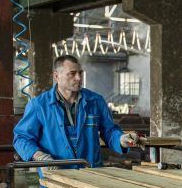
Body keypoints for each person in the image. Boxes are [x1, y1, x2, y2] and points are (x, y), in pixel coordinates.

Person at [13, 54, 144, 181]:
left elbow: (109, 131)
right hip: (56, 178)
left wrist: (121, 139)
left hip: (92, 175)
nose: (78, 78)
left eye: (80, 73)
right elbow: (21, 138)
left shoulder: (95, 101)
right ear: (56, 76)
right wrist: (40, 157)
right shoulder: (39, 106)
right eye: (72, 73)